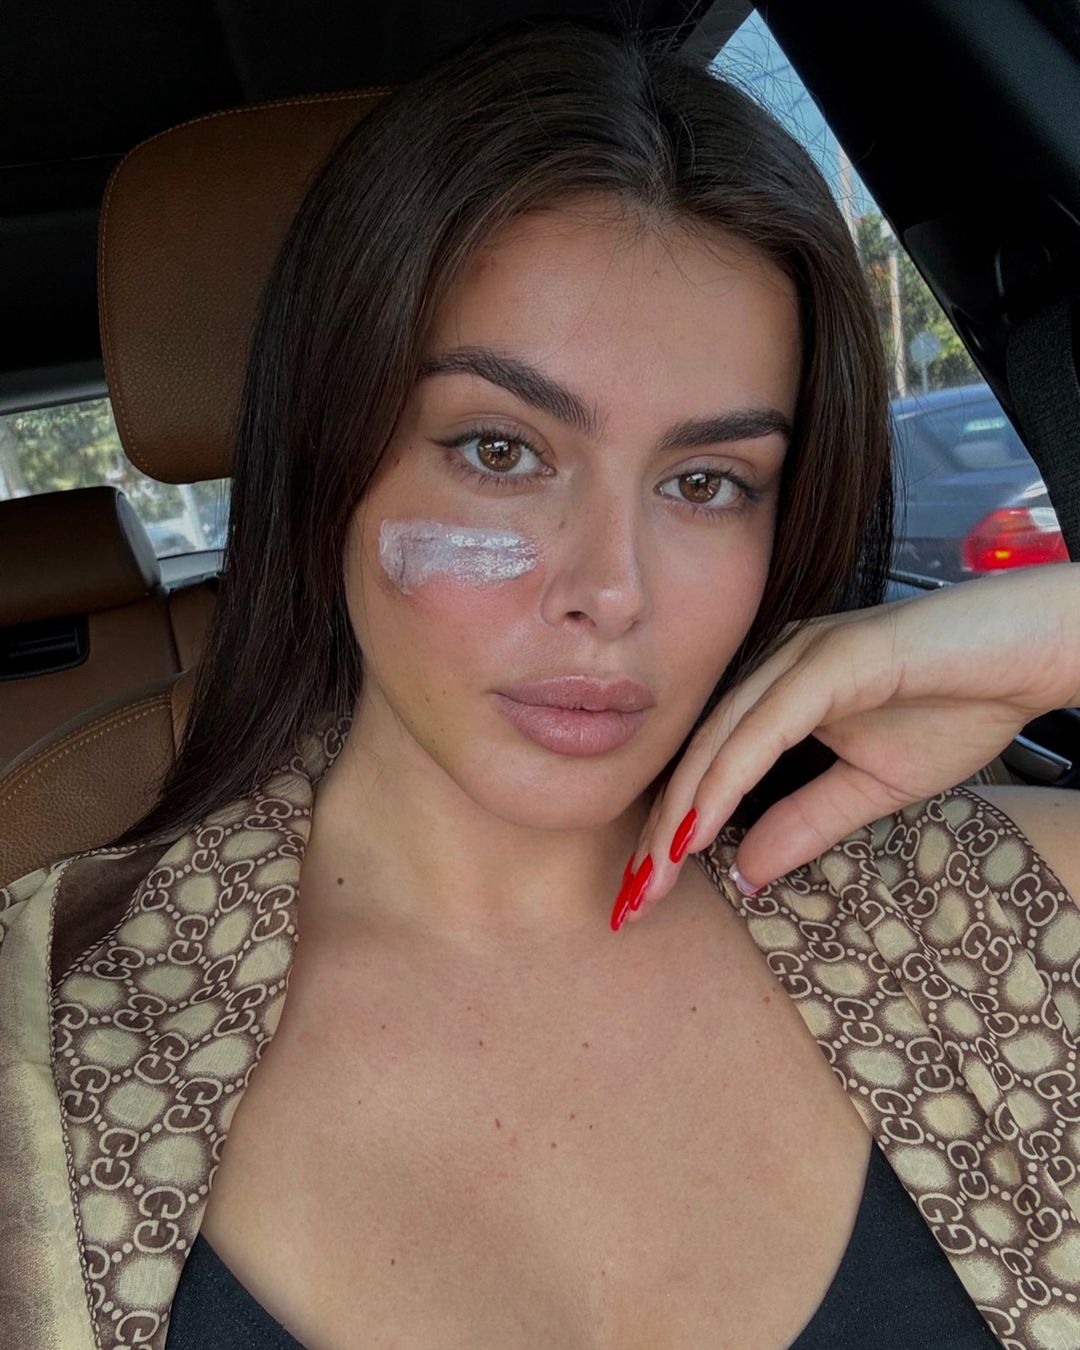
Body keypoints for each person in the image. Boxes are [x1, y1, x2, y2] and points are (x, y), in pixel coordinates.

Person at [3, 13, 1080, 1350]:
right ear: (331, 459)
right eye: (500, 451)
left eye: (707, 482)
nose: (612, 592)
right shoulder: (39, 1062)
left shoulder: (994, 908)